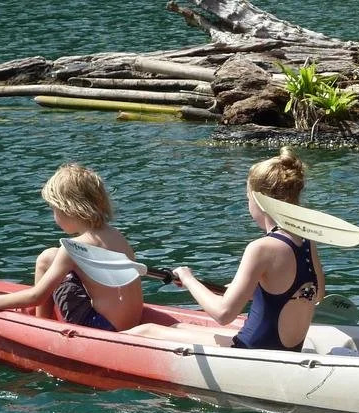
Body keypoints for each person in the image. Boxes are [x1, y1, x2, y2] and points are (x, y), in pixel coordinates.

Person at [125, 147, 325, 351]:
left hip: (249, 351)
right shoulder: (306, 242)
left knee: (144, 331)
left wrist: (188, 278)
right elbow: (314, 295)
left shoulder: (261, 248)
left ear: (259, 201)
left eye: (248, 198)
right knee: (178, 326)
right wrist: (253, 289)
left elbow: (223, 314)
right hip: (285, 350)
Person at [0, 163, 143, 331]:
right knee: (49, 256)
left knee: (45, 261)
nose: (54, 216)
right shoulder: (116, 235)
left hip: (101, 326)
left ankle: (41, 325)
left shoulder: (73, 248)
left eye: (54, 209)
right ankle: (42, 320)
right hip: (132, 322)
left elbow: (36, 296)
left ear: (68, 209)